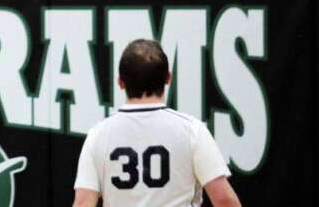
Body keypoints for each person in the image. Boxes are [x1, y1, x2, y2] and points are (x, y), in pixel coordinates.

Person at [73, 39, 242, 207]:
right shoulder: (191, 130)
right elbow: (224, 200)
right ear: (168, 78)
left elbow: (83, 203)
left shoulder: (98, 135)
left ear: (120, 82)